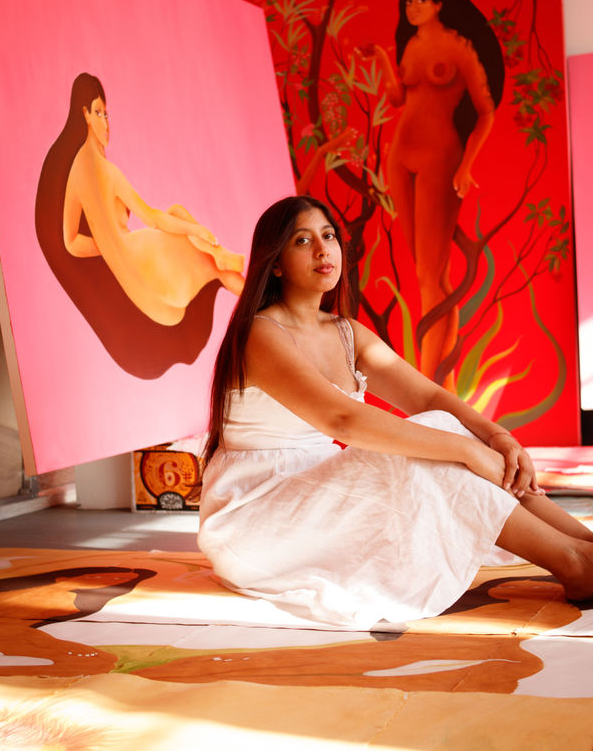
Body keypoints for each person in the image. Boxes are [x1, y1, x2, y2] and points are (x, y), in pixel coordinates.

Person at [198, 195, 593, 631]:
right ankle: (574, 563)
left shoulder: (344, 332)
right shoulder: (261, 333)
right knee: (438, 441)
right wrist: (468, 450)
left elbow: (428, 398)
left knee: (448, 426)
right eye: (302, 241)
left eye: (328, 236)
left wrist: (498, 437)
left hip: (319, 494)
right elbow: (342, 420)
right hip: (257, 517)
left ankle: (584, 544)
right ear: (274, 263)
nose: (322, 250)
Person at [36, 74, 243, 376]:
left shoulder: (75, 173)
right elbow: (152, 217)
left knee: (210, 261)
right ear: (84, 114)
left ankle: (222, 259)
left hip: (145, 298)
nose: (106, 123)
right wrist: (197, 231)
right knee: (186, 226)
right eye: (98, 113)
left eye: (107, 114)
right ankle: (231, 267)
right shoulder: (106, 171)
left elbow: (71, 243)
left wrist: (109, 246)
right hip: (151, 271)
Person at [358, 0, 504, 389]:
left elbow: (486, 111)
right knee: (425, 272)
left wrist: (465, 166)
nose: (413, 6)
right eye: (409, 0)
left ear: (440, 4)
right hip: (400, 159)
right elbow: (397, 98)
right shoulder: (411, 45)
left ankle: (433, 384)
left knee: (432, 276)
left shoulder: (460, 48)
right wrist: (382, 59)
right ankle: (440, 383)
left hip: (441, 159)